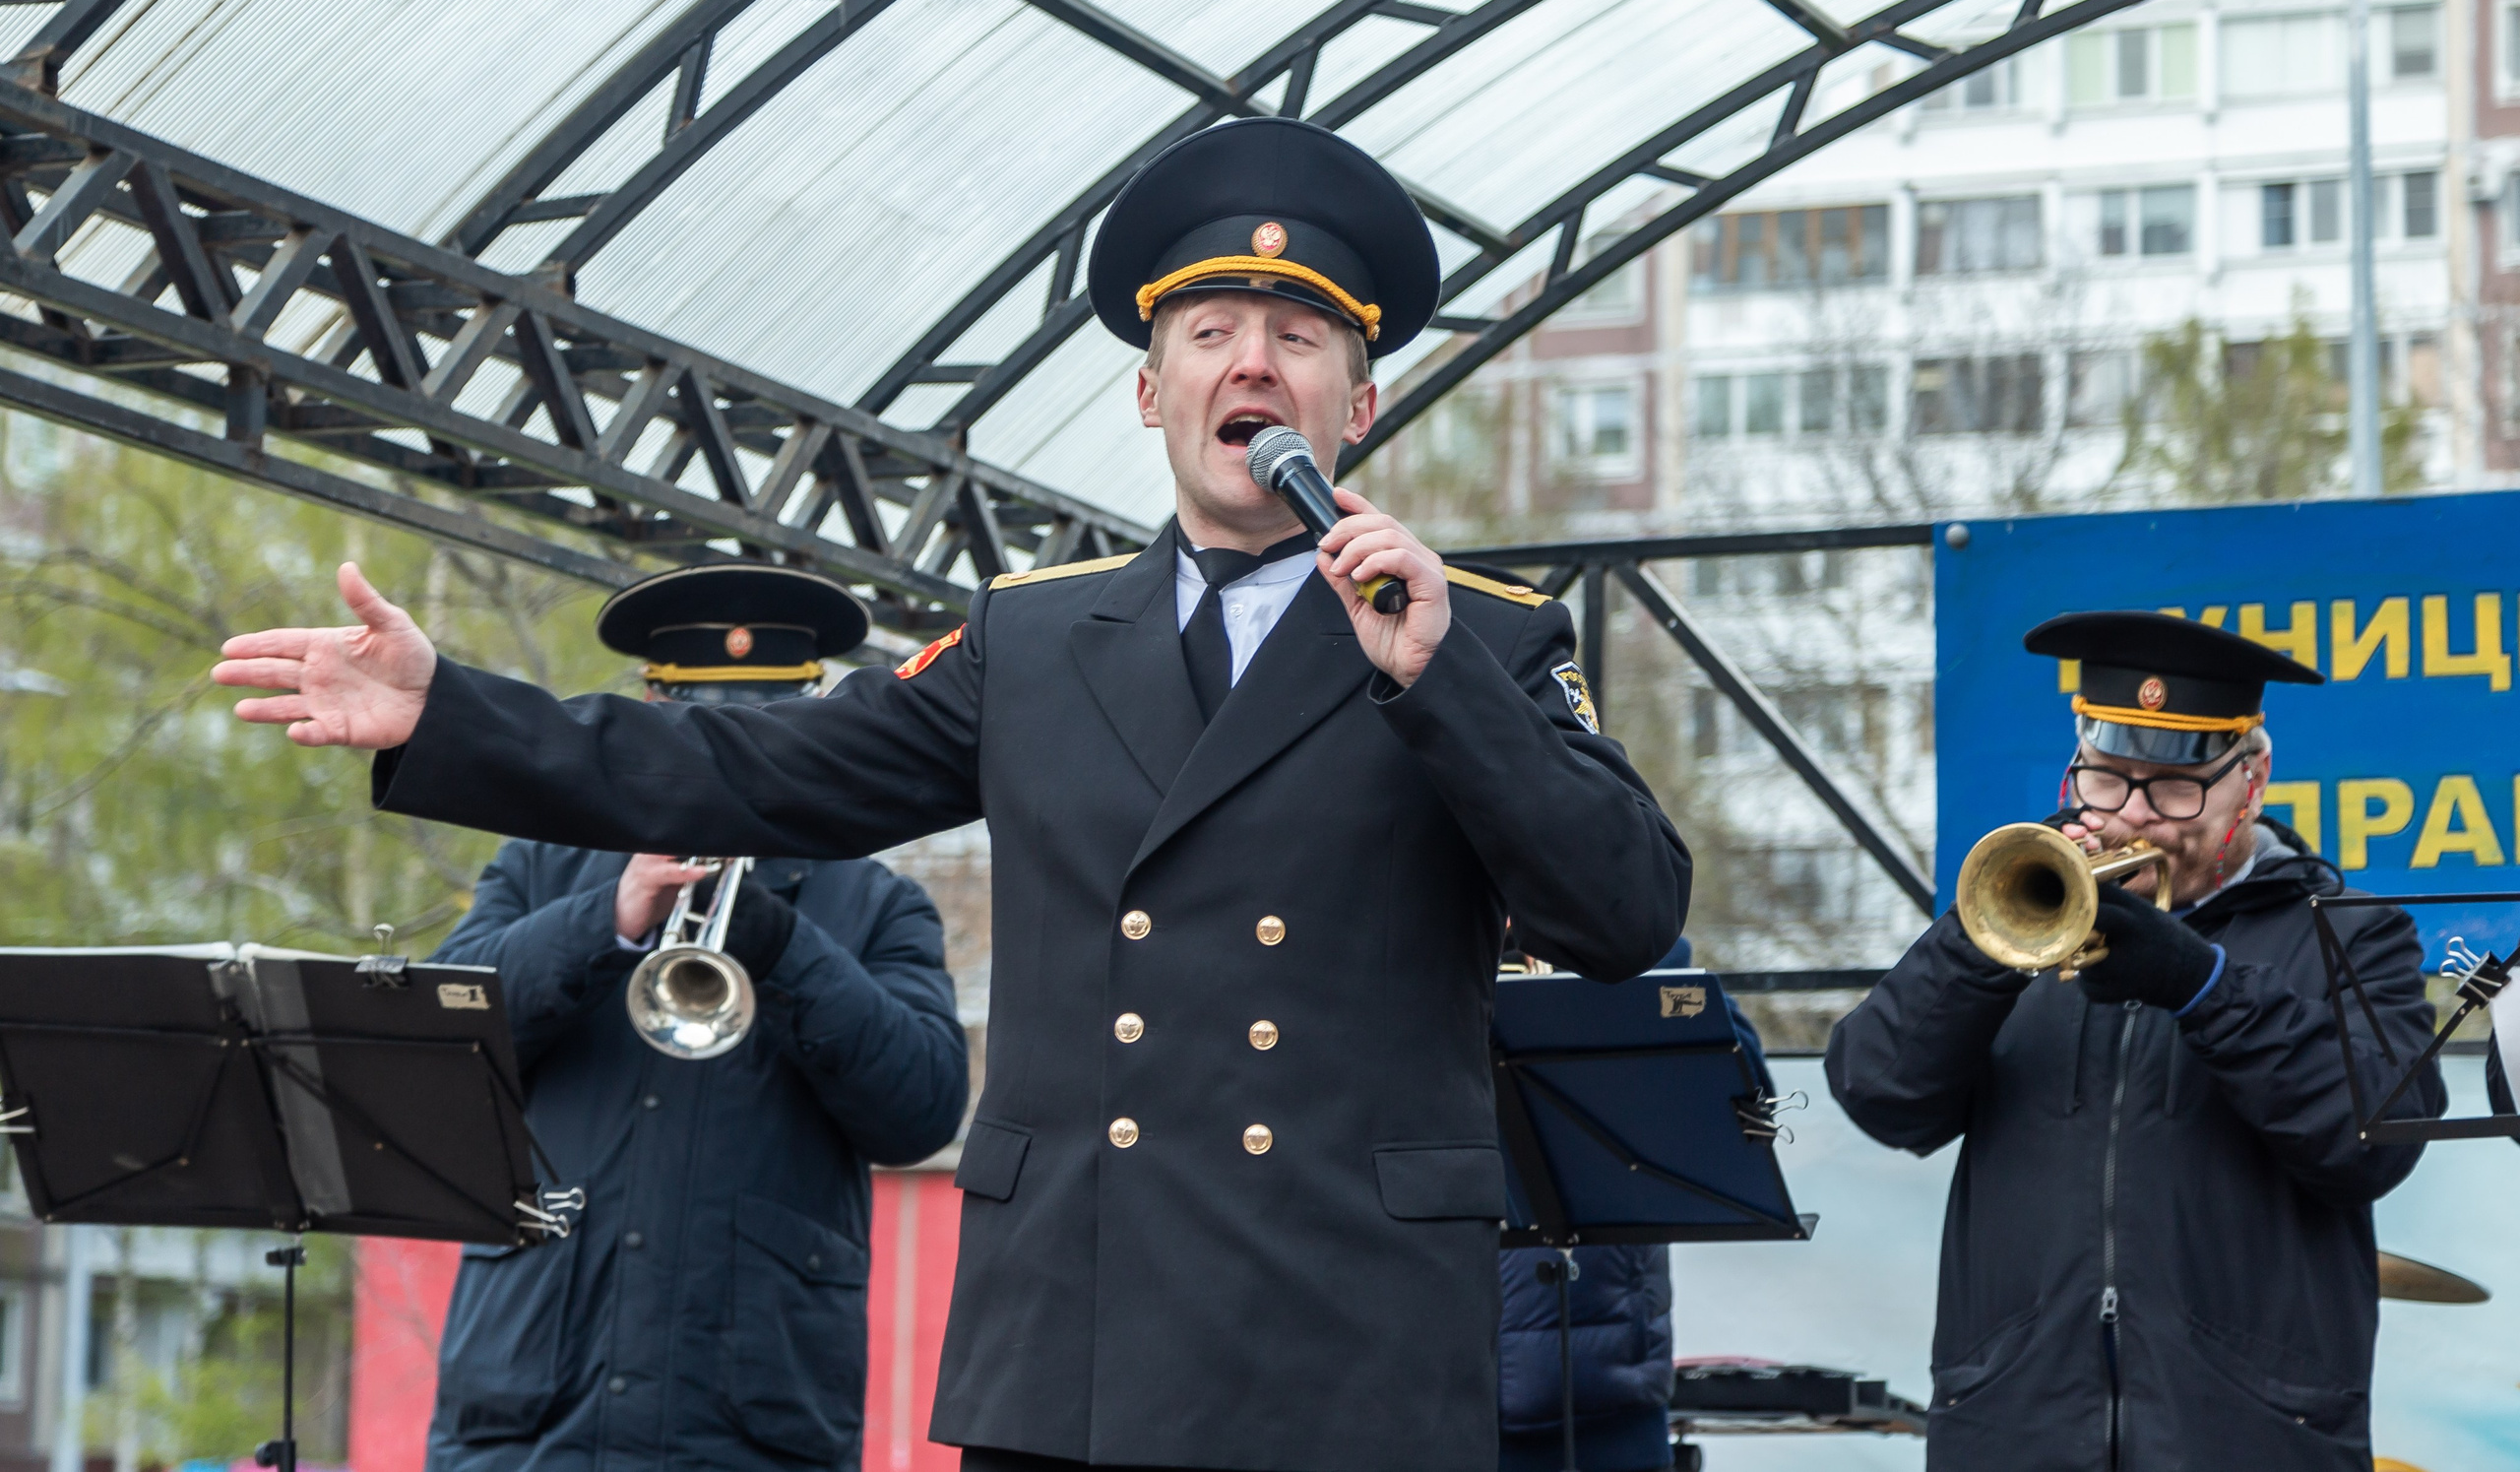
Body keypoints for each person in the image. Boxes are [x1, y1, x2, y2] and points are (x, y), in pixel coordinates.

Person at [212, 116, 1692, 1472]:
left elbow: (1624, 908)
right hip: (1074, 1346)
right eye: (1211, 330)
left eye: (1298, 336)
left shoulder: (1479, 630)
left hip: (1349, 1356)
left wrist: (1438, 683)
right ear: (1149, 388)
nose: (1254, 362)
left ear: (1353, 401)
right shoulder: (1032, 636)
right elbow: (751, 767)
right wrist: (453, 709)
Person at [1825, 610, 2444, 1472]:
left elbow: (2375, 1139)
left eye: (2174, 788)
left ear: (2253, 778)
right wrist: (1978, 943)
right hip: (2015, 1429)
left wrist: (2203, 983)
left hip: (2247, 1437)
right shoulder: (2010, 922)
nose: (2138, 817)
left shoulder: (2351, 932)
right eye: (2109, 779)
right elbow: (1880, 1093)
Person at [423, 561, 969, 1472]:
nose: (719, 770)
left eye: (755, 738)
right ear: (649, 714)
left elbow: (923, 1111)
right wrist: (610, 914)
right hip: (526, 1419)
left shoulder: (875, 903)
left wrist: (780, 942)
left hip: (751, 1430)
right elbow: (438, 1048)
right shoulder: (542, 866)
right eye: (693, 733)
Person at [1494, 935, 1767, 1472]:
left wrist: (1637, 951)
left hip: (1608, 1402)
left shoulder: (1614, 941)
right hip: (1433, 1396)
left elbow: (1753, 1115)